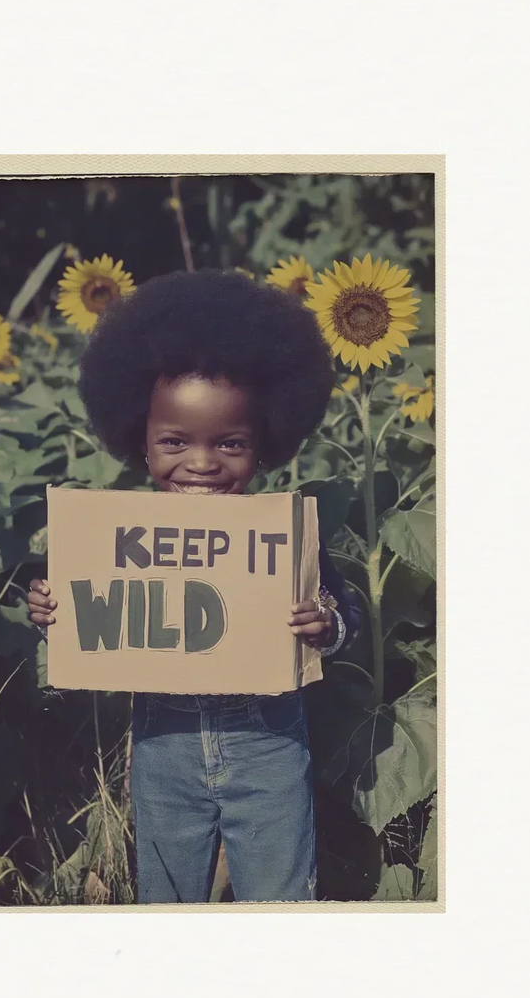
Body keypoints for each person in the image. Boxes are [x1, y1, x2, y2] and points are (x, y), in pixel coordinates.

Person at [26, 269, 362, 903]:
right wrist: (51, 608)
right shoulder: (117, 536)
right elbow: (90, 609)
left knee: (280, 894)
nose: (202, 464)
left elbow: (346, 609)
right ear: (141, 444)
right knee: (167, 893)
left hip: (269, 750)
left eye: (229, 443)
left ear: (264, 445)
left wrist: (326, 622)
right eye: (175, 442)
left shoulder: (285, 532)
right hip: (165, 749)